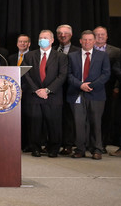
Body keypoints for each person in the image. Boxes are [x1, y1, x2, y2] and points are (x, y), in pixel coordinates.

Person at [22, 30, 68, 158]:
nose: (43, 39)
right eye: (41, 37)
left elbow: (62, 76)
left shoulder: (61, 57)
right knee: (35, 124)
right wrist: (37, 90)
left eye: (46, 38)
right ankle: (35, 148)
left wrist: (47, 90)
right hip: (34, 95)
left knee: (54, 123)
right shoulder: (29, 56)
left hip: (53, 96)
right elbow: (25, 74)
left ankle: (53, 149)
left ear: (52, 40)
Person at [66, 30, 110, 160]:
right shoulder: (72, 56)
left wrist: (91, 85)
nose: (87, 42)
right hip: (77, 93)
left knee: (95, 123)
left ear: (94, 41)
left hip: (96, 94)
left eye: (90, 40)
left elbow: (106, 74)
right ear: (80, 41)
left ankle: (97, 149)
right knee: (79, 123)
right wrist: (80, 85)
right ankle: (80, 149)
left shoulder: (102, 56)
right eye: (84, 39)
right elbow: (68, 75)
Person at [93, 26, 121, 153]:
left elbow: (118, 71)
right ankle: (90, 142)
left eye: (102, 34)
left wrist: (116, 87)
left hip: (108, 89)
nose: (100, 36)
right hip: (90, 87)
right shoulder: (87, 48)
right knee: (90, 116)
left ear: (107, 36)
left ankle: (102, 143)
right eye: (97, 34)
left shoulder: (116, 51)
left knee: (106, 116)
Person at [54, 24, 81, 156]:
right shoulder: (53, 50)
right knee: (55, 118)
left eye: (65, 33)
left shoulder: (77, 51)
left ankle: (68, 145)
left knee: (69, 119)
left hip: (70, 90)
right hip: (54, 90)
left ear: (70, 35)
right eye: (60, 33)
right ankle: (54, 144)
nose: (62, 35)